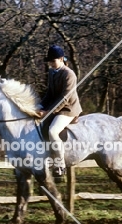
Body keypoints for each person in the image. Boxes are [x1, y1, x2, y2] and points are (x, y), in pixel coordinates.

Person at [38, 45, 82, 177]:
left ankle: (60, 164)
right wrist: (40, 106)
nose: (51, 64)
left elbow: (64, 98)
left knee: (53, 131)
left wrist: (48, 112)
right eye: (50, 61)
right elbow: (50, 94)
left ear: (61, 59)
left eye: (53, 61)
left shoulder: (69, 74)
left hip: (68, 109)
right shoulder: (52, 72)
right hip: (56, 107)